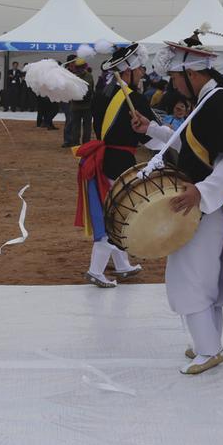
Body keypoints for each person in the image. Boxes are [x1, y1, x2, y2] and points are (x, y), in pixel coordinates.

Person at [131, 34, 223, 375]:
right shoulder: (208, 99)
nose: (172, 85)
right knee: (203, 276)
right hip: (205, 202)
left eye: (174, 78)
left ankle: (209, 349)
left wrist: (201, 192)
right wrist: (152, 129)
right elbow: (191, 141)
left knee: (192, 275)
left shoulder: (217, 102)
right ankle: (207, 342)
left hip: (206, 205)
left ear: (191, 73)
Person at [73, 43, 151, 287]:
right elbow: (147, 136)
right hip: (120, 162)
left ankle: (122, 265)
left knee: (117, 212)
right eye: (139, 69)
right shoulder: (132, 98)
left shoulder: (104, 93)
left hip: (105, 159)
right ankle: (96, 270)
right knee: (117, 217)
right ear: (127, 72)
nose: (142, 73)